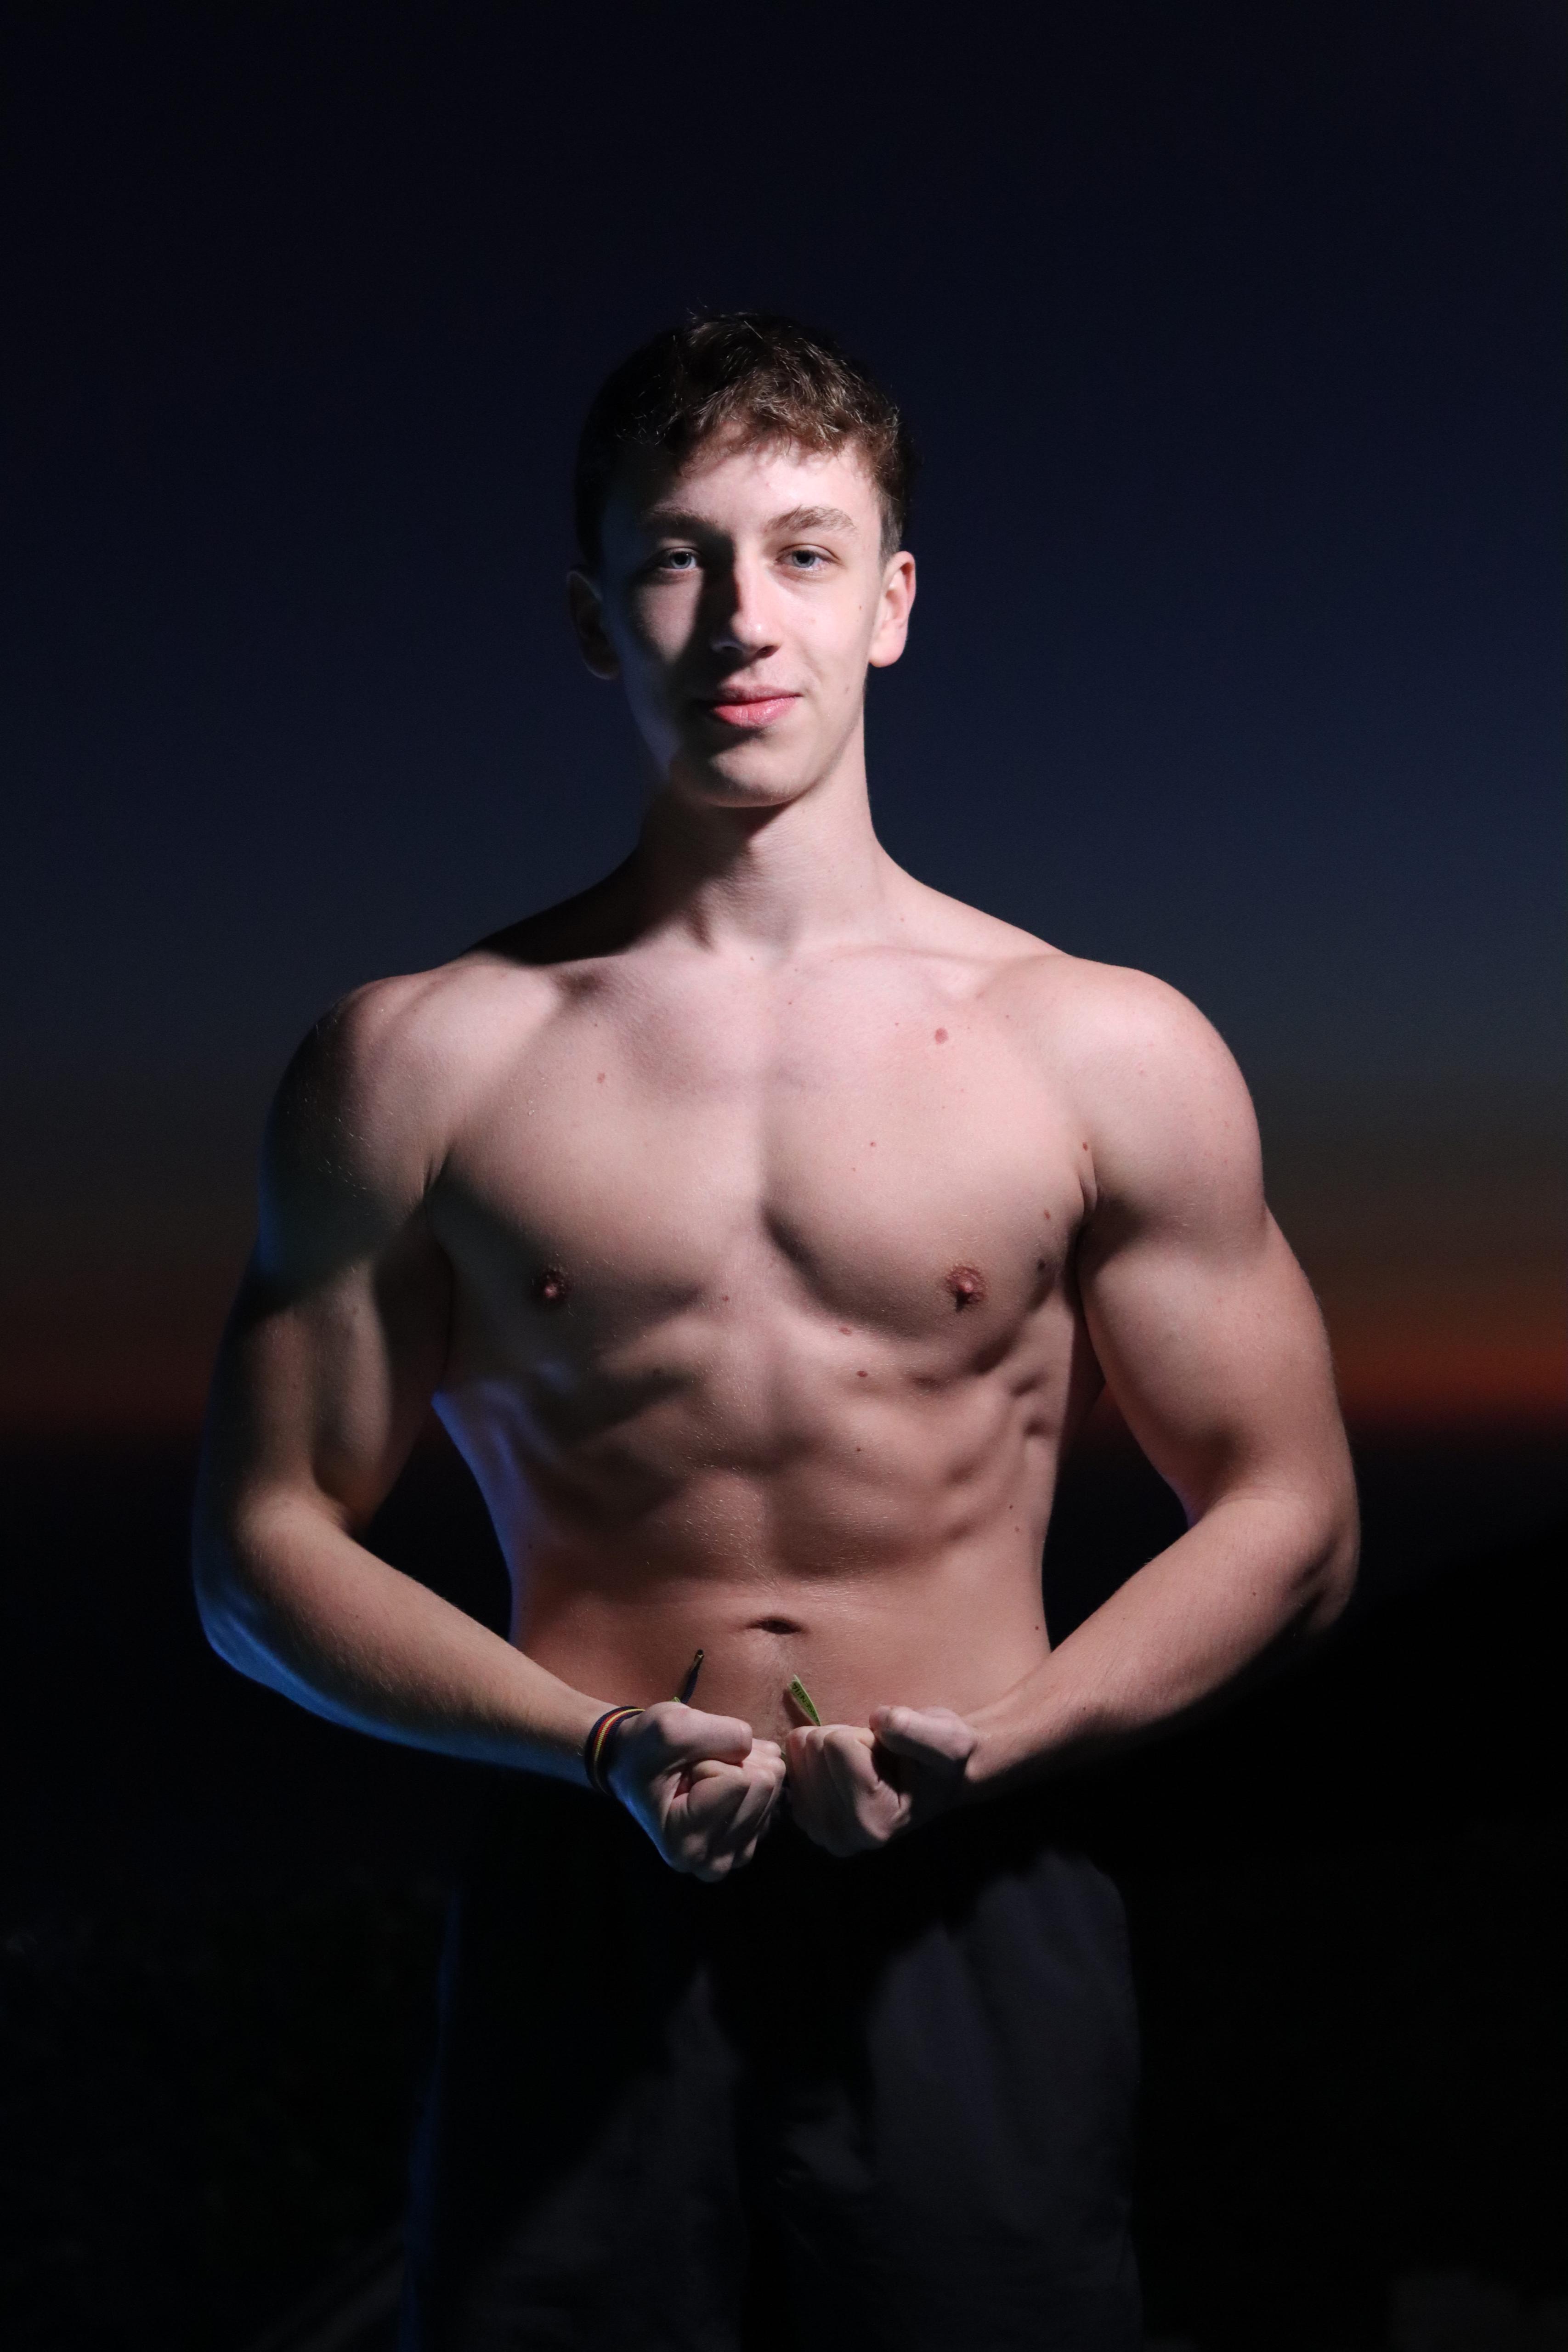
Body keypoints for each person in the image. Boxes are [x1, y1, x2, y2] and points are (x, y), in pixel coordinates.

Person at [194, 312, 1358, 2351]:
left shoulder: (1104, 1046)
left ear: (891, 600)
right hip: (584, 1886)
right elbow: (257, 1546)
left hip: (975, 1883)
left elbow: (1294, 1514)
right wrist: (584, 1746)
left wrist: (1007, 1749)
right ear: (593, 618)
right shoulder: (412, 1062)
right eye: (679, 555)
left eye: (806, 552)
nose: (744, 615)